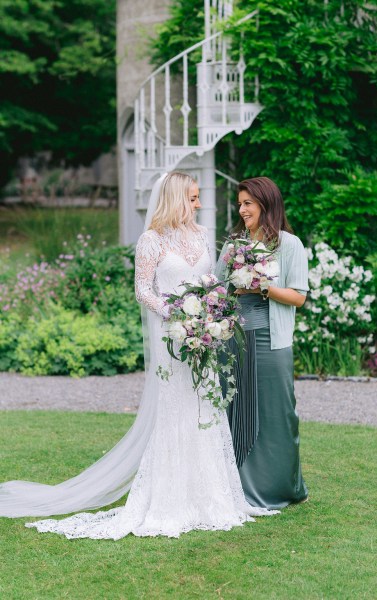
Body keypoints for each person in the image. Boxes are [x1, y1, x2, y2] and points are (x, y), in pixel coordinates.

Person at [0, 171, 277, 539]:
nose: (198, 204)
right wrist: (176, 313)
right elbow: (143, 291)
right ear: (177, 198)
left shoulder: (203, 235)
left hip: (204, 335)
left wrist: (210, 314)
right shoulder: (151, 240)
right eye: (193, 198)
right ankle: (170, 498)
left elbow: (211, 282)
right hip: (174, 336)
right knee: (176, 410)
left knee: (205, 407)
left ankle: (211, 496)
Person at [216, 176, 309, 510]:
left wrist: (262, 287)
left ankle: (279, 487)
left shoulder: (290, 245)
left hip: (272, 342)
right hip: (234, 341)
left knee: (277, 413)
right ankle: (235, 486)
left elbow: (298, 297)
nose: (241, 210)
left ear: (265, 205)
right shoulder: (232, 247)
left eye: (247, 204)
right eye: (239, 204)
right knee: (235, 410)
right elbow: (218, 292)